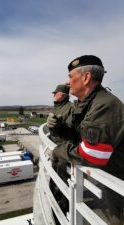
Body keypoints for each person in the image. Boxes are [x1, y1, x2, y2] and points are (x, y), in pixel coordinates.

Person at [50, 55, 124, 225]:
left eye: (70, 76)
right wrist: (59, 129)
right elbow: (82, 137)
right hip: (123, 180)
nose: (67, 82)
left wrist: (58, 151)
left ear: (86, 78)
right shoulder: (89, 103)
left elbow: (92, 155)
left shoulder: (104, 106)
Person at [47, 84, 75, 222]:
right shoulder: (58, 107)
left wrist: (57, 126)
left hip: (63, 147)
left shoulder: (70, 107)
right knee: (56, 175)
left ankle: (64, 204)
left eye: (55, 93)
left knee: (63, 177)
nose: (53, 95)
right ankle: (58, 198)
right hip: (56, 147)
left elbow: (70, 129)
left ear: (62, 95)